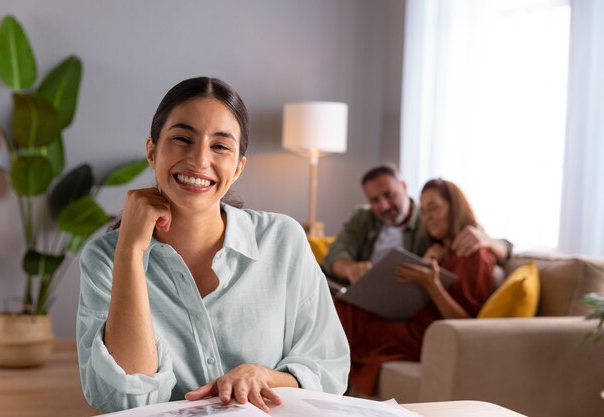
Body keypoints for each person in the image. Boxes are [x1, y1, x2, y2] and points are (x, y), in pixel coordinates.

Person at [76, 77, 350, 414]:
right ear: (152, 150)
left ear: (238, 168)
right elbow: (126, 400)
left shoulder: (284, 240)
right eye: (182, 139)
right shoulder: (105, 257)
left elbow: (327, 367)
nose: (199, 160)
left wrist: (262, 376)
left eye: (220, 146)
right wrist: (130, 253)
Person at [334, 178, 497, 396]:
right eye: (424, 212)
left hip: (428, 335)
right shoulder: (441, 249)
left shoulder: (474, 254)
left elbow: (466, 324)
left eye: (434, 209)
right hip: (409, 322)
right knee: (342, 305)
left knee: (344, 314)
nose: (428, 218)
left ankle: (320, 387)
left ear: (454, 207)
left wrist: (433, 286)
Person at [321, 163, 512, 284]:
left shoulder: (430, 221)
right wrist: (350, 269)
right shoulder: (364, 218)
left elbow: (497, 244)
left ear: (404, 187)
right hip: (354, 289)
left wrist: (488, 240)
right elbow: (335, 255)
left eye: (389, 195)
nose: (384, 205)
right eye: (375, 200)